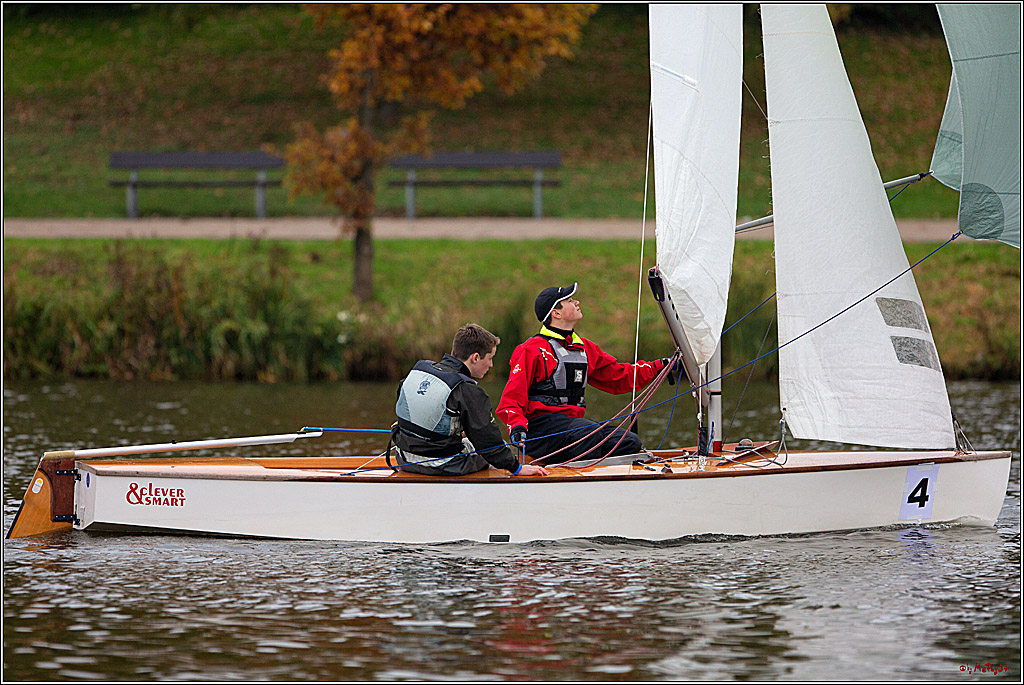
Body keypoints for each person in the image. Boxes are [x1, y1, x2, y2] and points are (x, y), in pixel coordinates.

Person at [496, 283, 672, 465]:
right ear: (556, 313)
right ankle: (580, 481)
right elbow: (511, 399)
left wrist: (662, 366)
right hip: (541, 430)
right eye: (570, 301)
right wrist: (516, 426)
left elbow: (619, 376)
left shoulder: (584, 348)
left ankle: (604, 479)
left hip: (574, 428)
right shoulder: (531, 350)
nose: (577, 302)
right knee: (588, 433)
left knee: (629, 441)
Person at [393, 323, 549, 477]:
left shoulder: (418, 370)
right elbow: (489, 443)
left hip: (403, 457)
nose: (491, 365)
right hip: (441, 465)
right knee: (493, 449)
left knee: (470, 442)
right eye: (490, 358)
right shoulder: (468, 389)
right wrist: (517, 468)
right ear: (475, 357)